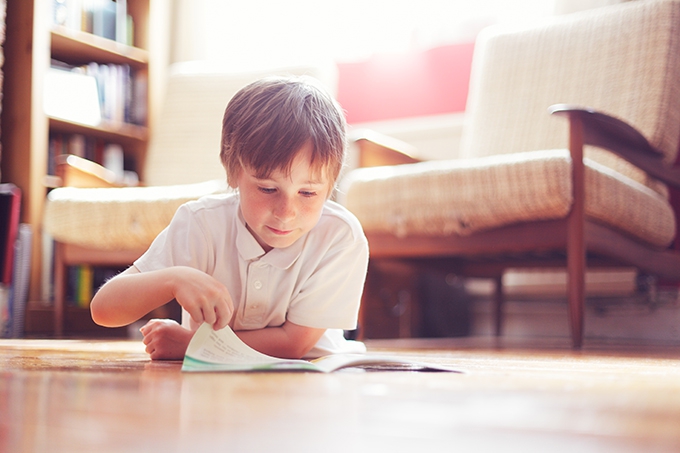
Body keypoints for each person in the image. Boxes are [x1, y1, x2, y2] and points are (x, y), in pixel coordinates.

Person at [90, 76, 369, 360]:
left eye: (308, 193)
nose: (286, 212)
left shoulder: (340, 236)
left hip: (308, 384)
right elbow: (104, 309)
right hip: (211, 388)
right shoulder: (200, 224)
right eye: (268, 189)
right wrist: (173, 280)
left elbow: (294, 345)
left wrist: (191, 345)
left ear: (330, 185)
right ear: (233, 172)